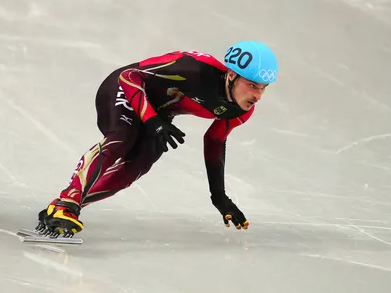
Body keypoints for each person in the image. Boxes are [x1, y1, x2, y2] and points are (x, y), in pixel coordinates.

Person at [35, 40, 278, 238]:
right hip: (125, 91)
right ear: (232, 75)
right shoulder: (194, 69)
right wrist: (152, 121)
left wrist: (219, 197)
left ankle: (62, 208)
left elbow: (214, 141)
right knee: (123, 138)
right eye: (252, 85)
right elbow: (129, 76)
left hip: (159, 114)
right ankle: (67, 203)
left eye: (264, 87)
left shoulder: (241, 109)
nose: (257, 95)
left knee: (136, 168)